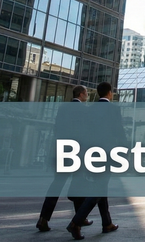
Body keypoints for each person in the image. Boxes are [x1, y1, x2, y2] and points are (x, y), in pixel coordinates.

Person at [67, 82, 123, 240]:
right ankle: (76, 222)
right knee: (99, 188)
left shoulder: (89, 110)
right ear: (110, 93)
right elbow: (119, 131)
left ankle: (107, 223)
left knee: (101, 187)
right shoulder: (114, 109)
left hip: (90, 153)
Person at [37, 86, 92, 232]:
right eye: (86, 93)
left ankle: (43, 219)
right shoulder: (85, 111)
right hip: (76, 152)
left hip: (61, 150)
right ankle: (80, 219)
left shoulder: (63, 108)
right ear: (81, 94)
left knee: (57, 185)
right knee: (78, 185)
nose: (87, 95)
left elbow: (56, 129)